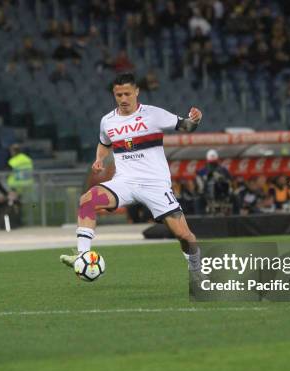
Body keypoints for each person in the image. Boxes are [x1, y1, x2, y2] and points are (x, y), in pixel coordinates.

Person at [60, 73, 203, 276]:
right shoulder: (107, 121)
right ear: (114, 94)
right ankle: (83, 255)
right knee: (87, 200)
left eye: (127, 93)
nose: (123, 99)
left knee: (184, 235)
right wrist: (99, 159)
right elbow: (104, 143)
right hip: (124, 181)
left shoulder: (154, 114)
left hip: (155, 184)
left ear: (137, 92)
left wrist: (195, 119)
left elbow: (187, 126)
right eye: (119, 95)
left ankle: (196, 267)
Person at [195, 149, 232, 215]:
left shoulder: (223, 170)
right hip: (206, 195)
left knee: (234, 197)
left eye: (214, 163)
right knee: (198, 200)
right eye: (211, 164)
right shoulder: (202, 171)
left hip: (223, 195)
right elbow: (200, 186)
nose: (212, 166)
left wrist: (221, 179)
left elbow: (229, 182)